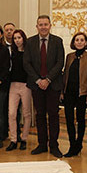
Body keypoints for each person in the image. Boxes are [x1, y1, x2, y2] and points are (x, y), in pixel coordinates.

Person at [23, 15, 64, 157]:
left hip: (53, 85)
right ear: (37, 27)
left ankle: (54, 145)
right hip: (36, 85)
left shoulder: (58, 41)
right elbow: (26, 63)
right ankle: (42, 144)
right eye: (40, 24)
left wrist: (48, 79)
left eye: (46, 24)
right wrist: (38, 80)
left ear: (50, 25)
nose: (43, 27)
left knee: (53, 115)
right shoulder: (30, 42)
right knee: (39, 115)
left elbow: (60, 63)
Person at [61, 32, 87, 157]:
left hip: (82, 93)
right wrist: (62, 91)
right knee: (69, 120)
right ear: (73, 42)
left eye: (82, 40)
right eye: (77, 40)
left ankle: (79, 144)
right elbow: (65, 74)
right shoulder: (69, 56)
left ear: (86, 42)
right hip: (69, 92)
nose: (79, 42)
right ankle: (72, 145)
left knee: (80, 120)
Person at [7, 29, 32, 151]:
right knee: (12, 113)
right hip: (13, 85)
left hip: (26, 85)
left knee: (27, 113)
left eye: (19, 38)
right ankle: (13, 139)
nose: (17, 40)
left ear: (23, 38)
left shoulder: (29, 52)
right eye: (15, 38)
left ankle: (24, 138)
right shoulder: (11, 52)